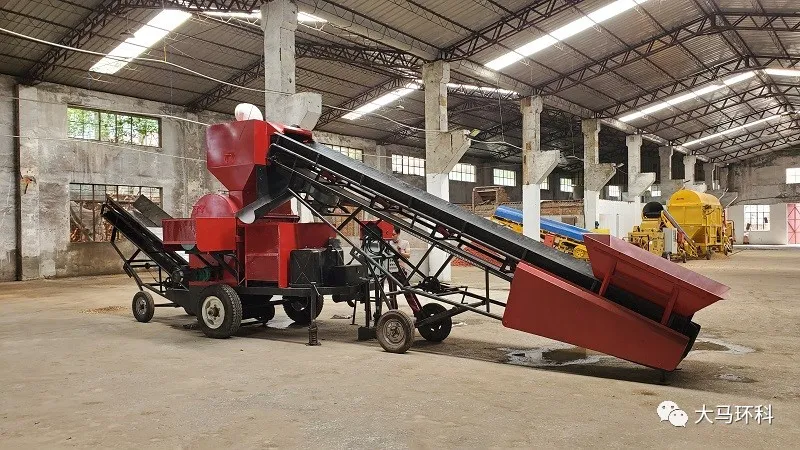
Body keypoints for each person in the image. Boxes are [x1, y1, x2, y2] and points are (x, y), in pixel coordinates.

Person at [387, 226, 411, 307]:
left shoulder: (405, 243)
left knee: (407, 292)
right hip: (391, 271)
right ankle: (394, 311)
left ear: (398, 234)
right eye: (390, 234)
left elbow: (408, 255)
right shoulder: (388, 243)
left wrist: (401, 252)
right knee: (392, 293)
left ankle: (416, 310)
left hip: (401, 270)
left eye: (393, 234)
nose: (392, 236)